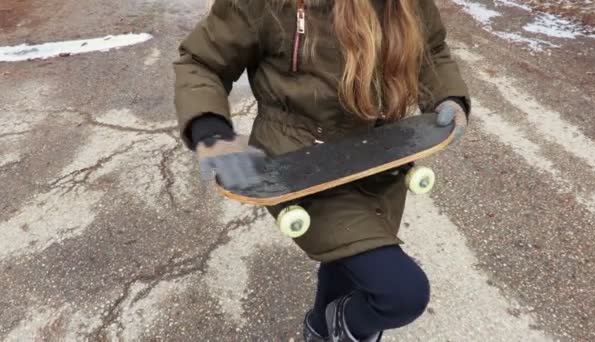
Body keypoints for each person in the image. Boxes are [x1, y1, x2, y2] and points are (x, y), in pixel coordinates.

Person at [173, 0, 470, 341]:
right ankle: (344, 328)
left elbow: (431, 49)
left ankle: (319, 328)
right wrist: (209, 129)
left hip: (379, 160)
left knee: (345, 260)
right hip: (302, 168)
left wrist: (448, 97)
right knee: (401, 294)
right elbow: (201, 61)